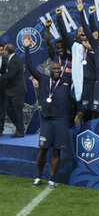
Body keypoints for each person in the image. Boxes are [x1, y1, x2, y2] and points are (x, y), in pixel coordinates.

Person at [23, 35, 72, 189]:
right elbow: (30, 66)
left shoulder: (68, 79)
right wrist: (26, 48)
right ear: (50, 69)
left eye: (58, 69)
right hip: (47, 120)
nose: (57, 71)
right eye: (54, 69)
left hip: (62, 120)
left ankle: (51, 179)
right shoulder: (44, 79)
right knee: (43, 151)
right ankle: (38, 177)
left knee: (57, 152)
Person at [0, 43, 26, 138]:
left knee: (17, 111)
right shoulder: (13, 59)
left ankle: (20, 131)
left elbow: (11, 75)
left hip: (17, 91)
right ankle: (19, 128)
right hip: (11, 91)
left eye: (4, 50)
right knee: (9, 109)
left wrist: (1, 77)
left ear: (6, 51)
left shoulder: (14, 60)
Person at [0, 43, 7, 136]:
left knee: (1, 109)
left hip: (3, 88)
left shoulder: (7, 60)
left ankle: (0, 129)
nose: (0, 52)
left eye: (2, 50)